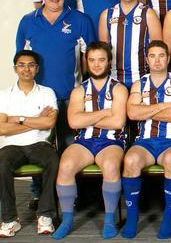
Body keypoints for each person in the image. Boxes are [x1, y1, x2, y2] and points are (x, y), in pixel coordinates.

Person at [52, 42, 127, 239]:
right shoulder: (79, 91)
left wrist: (88, 117)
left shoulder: (119, 89)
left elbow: (118, 121)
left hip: (111, 142)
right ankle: (67, 221)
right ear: (86, 61)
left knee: (111, 165)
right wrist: (104, 113)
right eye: (92, 60)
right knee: (66, 164)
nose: (96, 64)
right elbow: (74, 121)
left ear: (109, 62)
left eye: (101, 60)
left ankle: (109, 221)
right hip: (84, 142)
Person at [16, 0, 96, 149]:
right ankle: (44, 180)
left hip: (70, 95)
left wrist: (82, 87)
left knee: (70, 146)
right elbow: (22, 61)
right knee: (38, 147)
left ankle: (70, 178)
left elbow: (89, 58)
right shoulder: (27, 22)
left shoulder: (80, 20)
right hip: (38, 96)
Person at [121, 40, 171, 239]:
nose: (157, 60)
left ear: (168, 58)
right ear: (147, 60)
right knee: (130, 160)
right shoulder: (138, 84)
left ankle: (168, 218)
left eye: (161, 55)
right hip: (145, 142)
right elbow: (132, 114)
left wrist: (147, 109)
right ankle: (132, 217)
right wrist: (163, 106)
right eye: (152, 56)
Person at [0, 50, 58, 237]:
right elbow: (2, 129)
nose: (26, 69)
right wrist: (34, 121)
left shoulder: (47, 93)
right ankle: (9, 220)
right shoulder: (4, 95)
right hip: (11, 146)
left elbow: (49, 123)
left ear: (37, 68)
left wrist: (17, 119)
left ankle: (45, 215)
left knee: (54, 162)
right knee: (1, 165)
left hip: (39, 143)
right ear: (15, 69)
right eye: (22, 65)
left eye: (31, 65)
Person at [99, 0, 162, 88]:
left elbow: (158, 49)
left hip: (143, 78)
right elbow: (103, 52)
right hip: (113, 79)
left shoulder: (148, 14)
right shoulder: (106, 15)